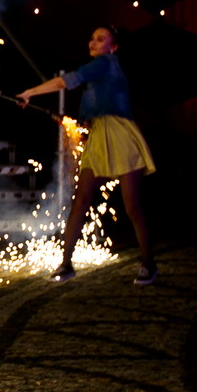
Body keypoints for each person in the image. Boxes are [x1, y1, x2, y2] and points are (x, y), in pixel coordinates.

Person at [17, 25, 158, 285]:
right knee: (81, 200)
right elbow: (91, 113)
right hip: (98, 136)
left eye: (101, 39)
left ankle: (148, 263)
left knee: (132, 205)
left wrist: (29, 92)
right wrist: (76, 122)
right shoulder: (97, 73)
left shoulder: (105, 63)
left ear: (113, 47)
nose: (93, 42)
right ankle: (66, 264)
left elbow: (64, 82)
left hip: (119, 134)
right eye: (92, 37)